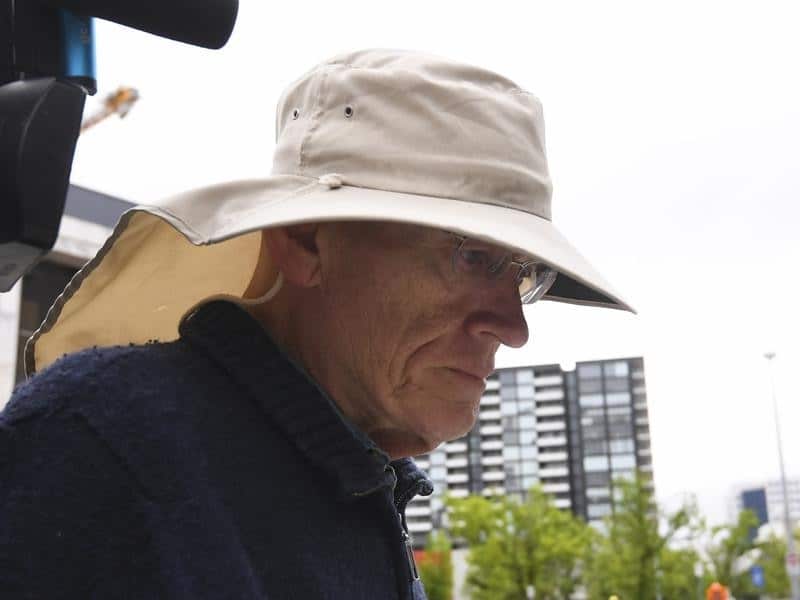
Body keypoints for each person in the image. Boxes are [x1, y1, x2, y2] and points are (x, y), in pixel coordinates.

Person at [0, 49, 633, 599]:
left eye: (523, 273)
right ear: (305, 240)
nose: (514, 327)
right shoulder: (99, 441)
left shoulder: (354, 485)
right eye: (473, 256)